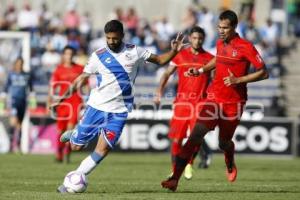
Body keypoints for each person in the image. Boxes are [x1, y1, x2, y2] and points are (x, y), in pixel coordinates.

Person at [50, 20, 184, 193]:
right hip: (97, 107)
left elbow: (159, 60)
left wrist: (174, 51)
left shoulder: (134, 51)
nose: (111, 41)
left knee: (103, 149)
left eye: (114, 38)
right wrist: (61, 100)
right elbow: (80, 79)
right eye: (108, 38)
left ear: (122, 35)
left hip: (119, 111)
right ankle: (75, 135)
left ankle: (72, 182)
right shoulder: (98, 56)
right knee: (76, 147)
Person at [161, 10, 269, 191]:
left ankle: (229, 158)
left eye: (225, 28)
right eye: (219, 27)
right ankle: (175, 179)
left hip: (234, 103)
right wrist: (201, 70)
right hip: (213, 99)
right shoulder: (219, 43)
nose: (221, 31)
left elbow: (264, 72)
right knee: (195, 136)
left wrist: (238, 80)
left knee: (223, 142)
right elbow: (218, 60)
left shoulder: (246, 47)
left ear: (234, 28)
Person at [154, 26, 213, 179]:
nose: (197, 41)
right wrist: (159, 91)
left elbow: (216, 79)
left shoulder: (210, 58)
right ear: (189, 39)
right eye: (194, 38)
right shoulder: (179, 56)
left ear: (204, 39)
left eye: (200, 38)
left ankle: (189, 164)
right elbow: (166, 73)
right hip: (182, 104)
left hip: (200, 103)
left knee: (195, 137)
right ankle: (175, 170)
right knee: (177, 138)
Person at [47, 45, 85, 163]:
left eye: (71, 54)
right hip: (62, 103)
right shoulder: (58, 70)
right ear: (63, 55)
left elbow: (86, 84)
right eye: (67, 54)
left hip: (75, 102)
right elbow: (53, 87)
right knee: (60, 130)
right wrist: (49, 101)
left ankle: (67, 154)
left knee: (70, 128)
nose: (69, 56)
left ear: (73, 55)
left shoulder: (80, 68)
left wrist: (87, 99)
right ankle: (59, 153)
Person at [1, 57, 34, 152]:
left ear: (22, 64)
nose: (19, 65)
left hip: (23, 101)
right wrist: (3, 99)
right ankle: (11, 144)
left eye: (21, 63)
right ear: (15, 64)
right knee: (13, 122)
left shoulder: (27, 75)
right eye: (18, 63)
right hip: (13, 101)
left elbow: (31, 88)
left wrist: (32, 101)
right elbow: (6, 87)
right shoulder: (11, 75)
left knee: (20, 124)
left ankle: (18, 145)